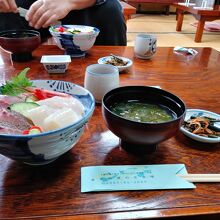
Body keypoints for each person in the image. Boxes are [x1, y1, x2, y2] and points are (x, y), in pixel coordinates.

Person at [0, 0, 127, 45]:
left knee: (111, 9)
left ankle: (109, 71)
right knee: (8, 13)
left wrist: (68, 1)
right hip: (28, 9)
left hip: (82, 7)